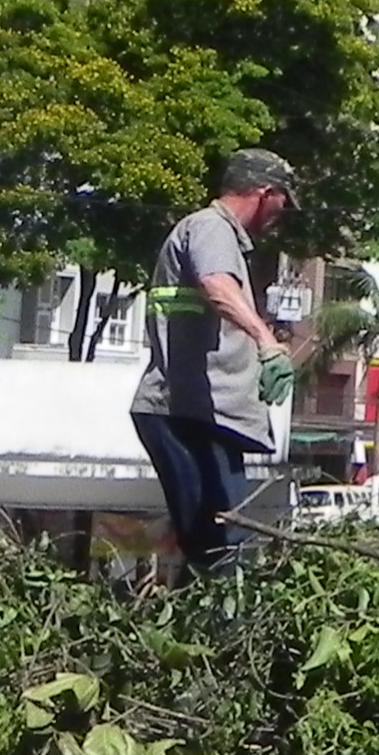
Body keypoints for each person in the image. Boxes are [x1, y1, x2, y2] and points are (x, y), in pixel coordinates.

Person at [129, 150, 300, 574]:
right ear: (266, 193)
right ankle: (217, 636)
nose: (284, 213)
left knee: (221, 546)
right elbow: (216, 285)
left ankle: (216, 631)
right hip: (184, 415)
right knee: (220, 549)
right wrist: (266, 342)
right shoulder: (211, 228)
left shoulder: (217, 235)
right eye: (284, 201)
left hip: (204, 417)